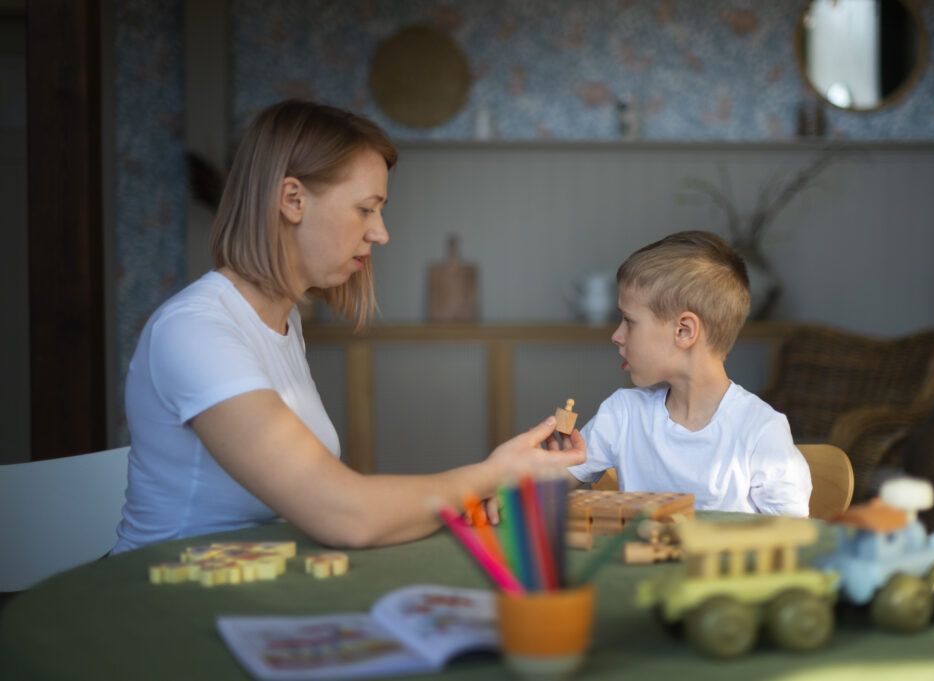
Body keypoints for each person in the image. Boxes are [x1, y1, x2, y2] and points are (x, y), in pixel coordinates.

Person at [112, 100, 584, 554]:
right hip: (164, 591)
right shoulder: (196, 332)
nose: (381, 232)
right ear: (292, 199)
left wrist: (480, 484)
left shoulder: (281, 320)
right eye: (365, 208)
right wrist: (494, 474)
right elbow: (347, 516)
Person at [566, 231, 811, 516]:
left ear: (684, 331)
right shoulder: (622, 415)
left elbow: (793, 538)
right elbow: (547, 484)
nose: (616, 336)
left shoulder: (761, 431)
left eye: (629, 321)